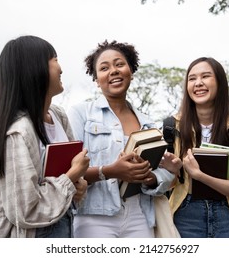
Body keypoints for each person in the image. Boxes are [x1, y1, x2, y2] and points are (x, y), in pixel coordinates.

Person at [0, 35, 89, 238]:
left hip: (64, 223)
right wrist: (72, 176)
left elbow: (70, 176)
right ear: (35, 68)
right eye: (55, 59)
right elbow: (24, 211)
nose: (61, 68)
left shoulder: (59, 116)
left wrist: (78, 185)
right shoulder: (17, 133)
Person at [67, 40, 175, 238]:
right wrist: (109, 171)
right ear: (96, 79)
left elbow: (163, 175)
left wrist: (149, 177)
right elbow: (69, 171)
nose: (114, 71)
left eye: (119, 64)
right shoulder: (80, 114)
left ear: (131, 71)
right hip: (94, 216)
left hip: (140, 215)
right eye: (104, 68)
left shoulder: (147, 122)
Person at [160, 57, 229, 238]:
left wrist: (200, 176)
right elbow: (166, 184)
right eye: (192, 79)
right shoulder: (172, 126)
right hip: (185, 214)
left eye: (205, 76)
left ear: (220, 83)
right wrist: (172, 172)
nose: (198, 83)